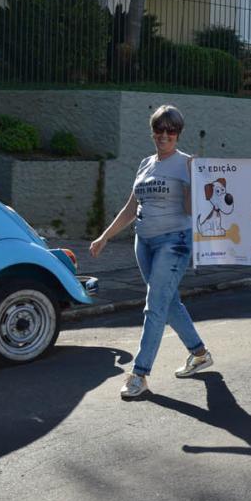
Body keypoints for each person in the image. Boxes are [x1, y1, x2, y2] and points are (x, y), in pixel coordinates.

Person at [90, 105, 213, 399]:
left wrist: (196, 181)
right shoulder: (146, 163)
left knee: (154, 305)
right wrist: (105, 236)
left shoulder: (186, 164)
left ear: (178, 133)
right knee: (168, 302)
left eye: (171, 130)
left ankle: (140, 374)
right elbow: (132, 207)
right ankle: (199, 354)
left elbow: (190, 210)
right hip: (143, 243)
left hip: (174, 242)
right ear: (153, 131)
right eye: (160, 129)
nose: (165, 135)